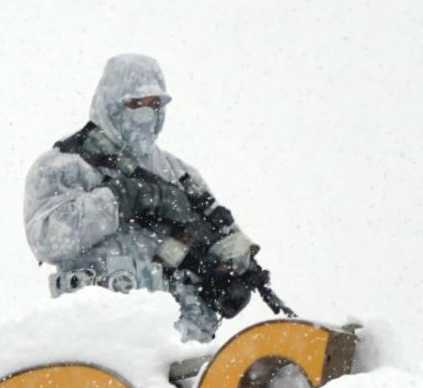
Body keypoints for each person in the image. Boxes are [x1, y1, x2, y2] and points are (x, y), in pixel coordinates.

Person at [23, 54, 265, 342]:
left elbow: (226, 239)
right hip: (96, 337)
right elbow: (48, 239)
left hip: (180, 342)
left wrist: (235, 273)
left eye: (155, 106)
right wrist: (118, 198)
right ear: (111, 105)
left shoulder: (181, 175)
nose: (148, 116)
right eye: (137, 106)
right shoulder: (67, 165)